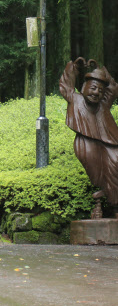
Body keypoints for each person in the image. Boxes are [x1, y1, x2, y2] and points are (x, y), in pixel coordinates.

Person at [59, 57, 118, 207]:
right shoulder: (75, 99)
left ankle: (112, 199)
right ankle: (106, 192)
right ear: (84, 87)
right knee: (97, 173)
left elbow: (113, 88)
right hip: (86, 141)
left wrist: (100, 69)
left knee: (116, 164)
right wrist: (74, 67)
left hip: (111, 143)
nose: (96, 92)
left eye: (100, 90)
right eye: (93, 88)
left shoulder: (104, 104)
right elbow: (66, 85)